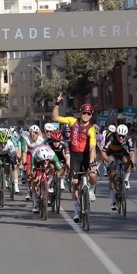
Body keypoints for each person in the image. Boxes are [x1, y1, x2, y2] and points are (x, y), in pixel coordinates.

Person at [52, 93, 97, 223]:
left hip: (86, 155)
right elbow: (55, 117)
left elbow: (93, 147)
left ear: (91, 115)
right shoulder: (72, 121)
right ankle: (77, 211)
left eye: (88, 113)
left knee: (93, 176)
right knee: (75, 184)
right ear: (81, 113)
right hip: (75, 155)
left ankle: (92, 190)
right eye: (84, 113)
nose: (86, 115)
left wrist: (92, 162)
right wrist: (56, 103)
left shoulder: (91, 129)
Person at [101, 124, 135, 210]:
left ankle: (126, 179)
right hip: (111, 153)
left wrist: (132, 164)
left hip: (122, 152)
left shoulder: (129, 138)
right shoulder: (111, 138)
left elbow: (131, 153)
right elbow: (103, 152)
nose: (121, 138)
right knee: (112, 176)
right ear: (116, 134)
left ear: (126, 135)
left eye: (123, 136)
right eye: (119, 136)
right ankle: (113, 200)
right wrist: (108, 160)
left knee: (128, 161)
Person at [30, 144, 63, 213]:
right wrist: (35, 175)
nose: (45, 162)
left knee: (52, 167)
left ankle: (49, 184)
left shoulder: (52, 155)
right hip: (38, 161)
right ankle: (35, 204)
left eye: (47, 160)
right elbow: (32, 170)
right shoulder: (34, 156)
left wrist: (57, 174)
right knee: (34, 181)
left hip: (48, 156)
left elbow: (60, 169)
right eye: (44, 161)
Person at [19, 125, 46, 204]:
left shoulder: (42, 140)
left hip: (38, 155)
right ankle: (29, 190)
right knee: (29, 175)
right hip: (29, 155)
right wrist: (24, 164)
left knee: (40, 172)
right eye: (31, 133)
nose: (33, 134)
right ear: (29, 134)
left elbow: (44, 151)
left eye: (35, 133)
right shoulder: (26, 140)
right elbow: (24, 153)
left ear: (38, 134)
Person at [0, 130, 20, 198]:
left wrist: (14, 162)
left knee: (8, 166)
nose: (3, 145)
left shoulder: (10, 143)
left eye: (4, 143)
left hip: (6, 155)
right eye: (1, 143)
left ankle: (7, 178)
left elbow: (13, 154)